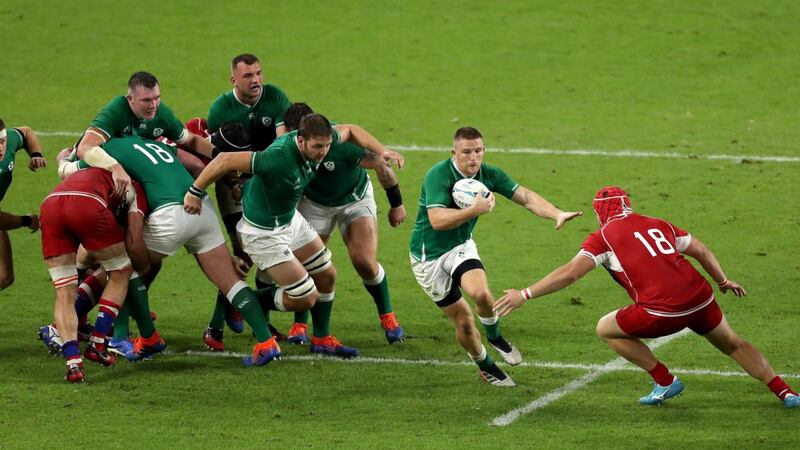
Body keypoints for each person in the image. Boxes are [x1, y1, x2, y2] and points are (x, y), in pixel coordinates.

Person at [494, 186, 800, 408]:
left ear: (600, 213)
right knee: (734, 344)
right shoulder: (658, 223)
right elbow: (702, 251)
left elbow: (572, 273)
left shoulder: (603, 237)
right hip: (701, 298)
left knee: (605, 328)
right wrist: (721, 281)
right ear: (628, 205)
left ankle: (664, 380)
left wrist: (525, 293)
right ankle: (785, 392)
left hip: (662, 313)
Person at [184, 113, 404, 358]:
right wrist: (194, 191)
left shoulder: (322, 140)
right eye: (317, 147)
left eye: (327, 145)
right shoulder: (278, 157)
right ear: (300, 141)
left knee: (327, 275)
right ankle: (246, 301)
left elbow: (351, 130)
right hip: (264, 232)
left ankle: (321, 339)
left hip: (290, 221)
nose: (323, 151)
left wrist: (382, 151)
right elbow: (224, 160)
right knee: (305, 297)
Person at [76, 136, 282, 366]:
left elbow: (76, 171)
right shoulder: (151, 142)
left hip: (169, 214)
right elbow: (194, 165)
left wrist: (66, 158)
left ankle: (137, 337)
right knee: (231, 283)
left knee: (123, 266)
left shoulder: (104, 150)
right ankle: (266, 343)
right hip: (201, 206)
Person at [409, 127, 581, 387]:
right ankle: (485, 364)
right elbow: (436, 220)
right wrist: (475, 210)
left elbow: (525, 196)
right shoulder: (438, 175)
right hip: (428, 258)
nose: (473, 158)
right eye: (466, 152)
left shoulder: (489, 174)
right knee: (465, 323)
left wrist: (556, 213)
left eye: (478, 151)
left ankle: (495, 336)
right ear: (453, 152)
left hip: (461, 247)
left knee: (482, 295)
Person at [283, 103, 406, 345]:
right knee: (307, 266)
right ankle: (300, 324)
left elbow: (380, 163)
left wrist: (396, 203)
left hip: (354, 199)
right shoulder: (287, 149)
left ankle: (388, 315)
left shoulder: (339, 145)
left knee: (365, 263)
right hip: (315, 204)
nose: (321, 149)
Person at [203, 53, 292, 347]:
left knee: (255, 254)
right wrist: (234, 182)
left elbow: (282, 142)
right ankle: (216, 325)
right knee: (244, 253)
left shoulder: (276, 97)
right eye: (248, 76)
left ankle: (247, 315)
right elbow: (215, 156)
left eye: (258, 73)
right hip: (234, 183)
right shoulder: (220, 109)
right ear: (234, 80)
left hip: (264, 181)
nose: (256, 80)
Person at [39, 167, 146, 382]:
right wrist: (144, 266)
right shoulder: (137, 185)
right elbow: (133, 240)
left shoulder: (92, 167)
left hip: (50, 205)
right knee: (121, 270)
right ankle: (98, 343)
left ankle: (73, 363)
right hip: (86, 205)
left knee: (64, 291)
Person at [75, 71, 210, 179]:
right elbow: (85, 147)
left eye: (157, 98)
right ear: (130, 99)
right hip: (115, 161)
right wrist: (115, 167)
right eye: (146, 100)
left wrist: (220, 155)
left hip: (144, 155)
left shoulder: (162, 114)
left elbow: (190, 139)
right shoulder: (115, 112)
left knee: (197, 166)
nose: (153, 105)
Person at [0, 119, 46, 289]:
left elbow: (26, 132)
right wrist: (26, 221)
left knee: (4, 277)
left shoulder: (8, 140)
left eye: (2, 142)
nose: (0, 148)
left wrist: (36, 154)